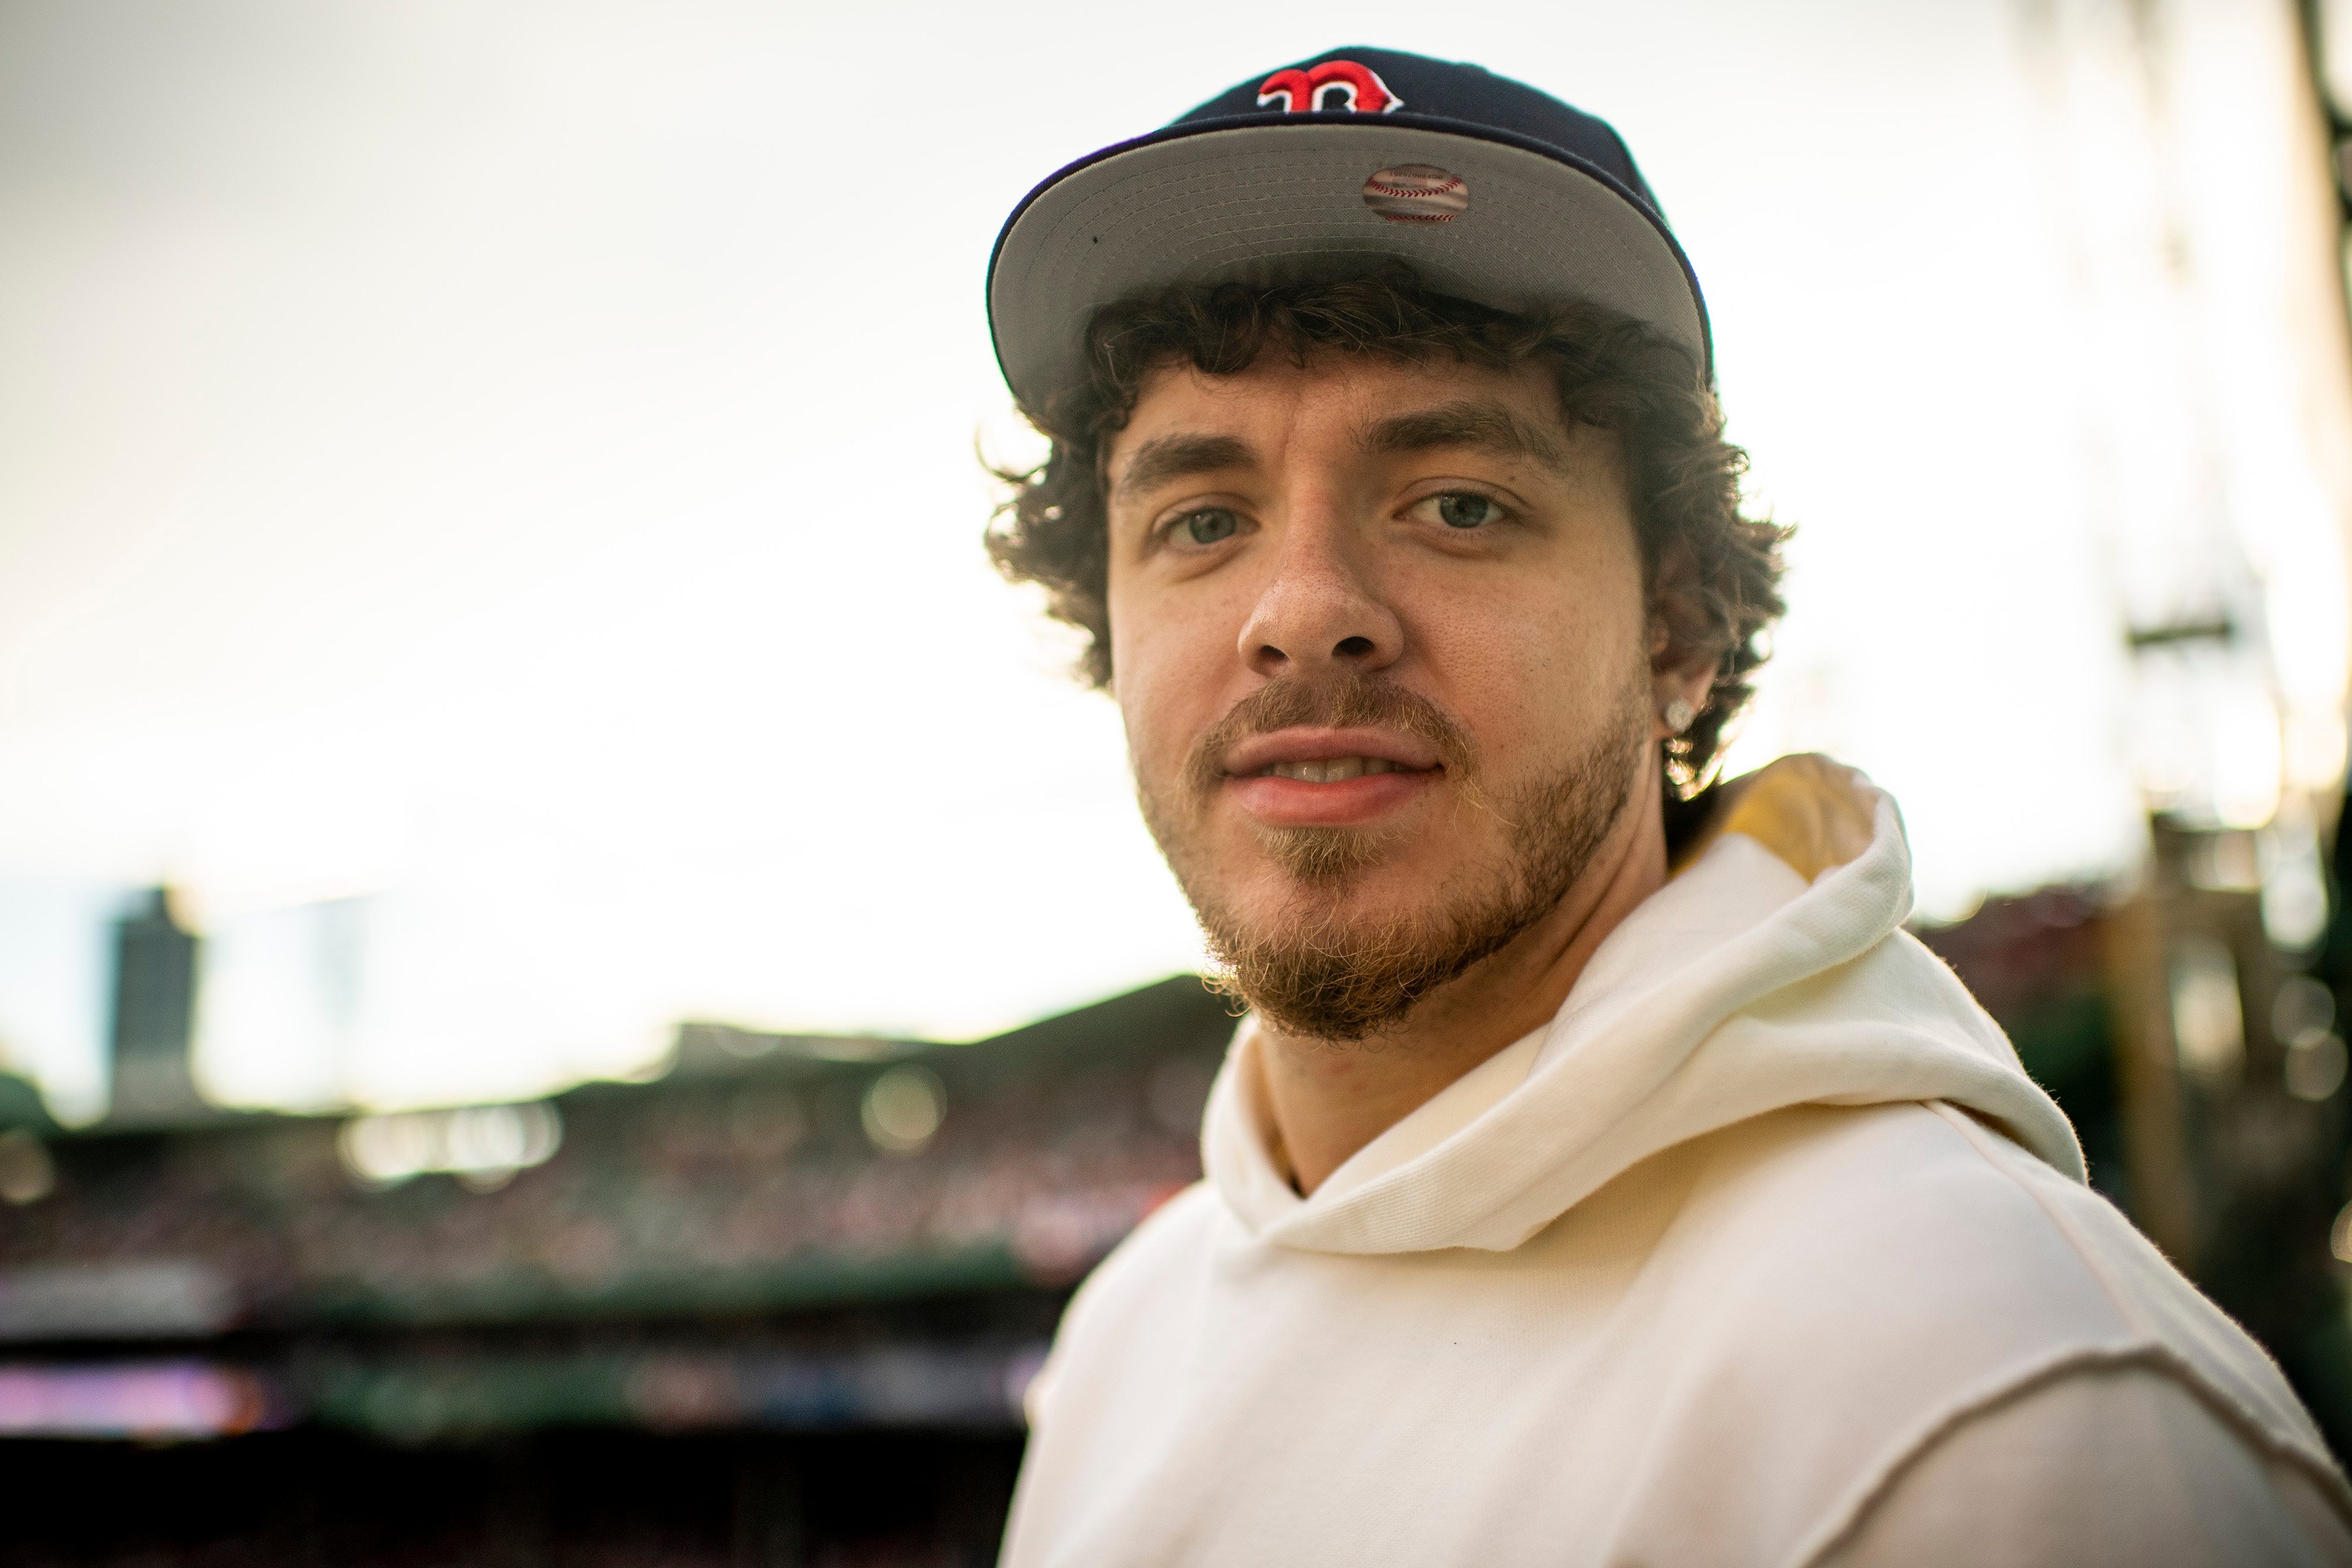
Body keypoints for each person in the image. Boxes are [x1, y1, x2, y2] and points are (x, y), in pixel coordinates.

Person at [980, 46, 2352, 1566]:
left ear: (1678, 629)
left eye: (1459, 502)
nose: (1303, 612)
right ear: (1108, 626)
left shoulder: (2002, 1407)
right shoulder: (1124, 1333)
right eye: (1204, 520)